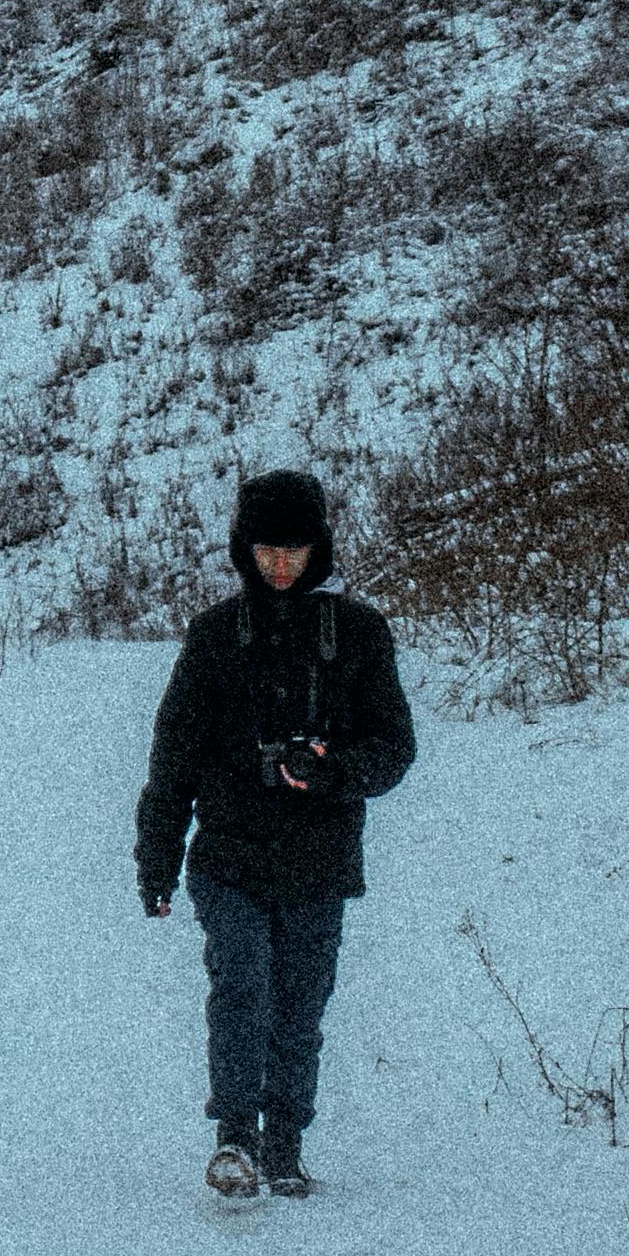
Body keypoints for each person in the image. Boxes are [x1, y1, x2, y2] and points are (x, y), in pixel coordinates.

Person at [135, 467, 415, 1201]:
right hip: (228, 855)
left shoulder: (357, 634)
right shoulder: (215, 637)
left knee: (300, 1005)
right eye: (267, 550)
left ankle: (285, 1145)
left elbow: (395, 750)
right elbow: (172, 761)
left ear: (318, 548)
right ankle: (235, 1139)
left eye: (294, 549)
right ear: (244, 550)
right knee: (241, 987)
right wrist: (157, 858)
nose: (281, 565)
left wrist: (331, 768)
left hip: (321, 860)